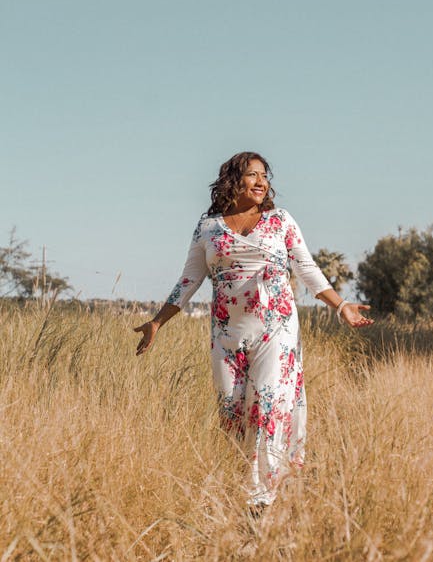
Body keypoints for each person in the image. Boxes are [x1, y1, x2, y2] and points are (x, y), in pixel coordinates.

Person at [134, 152, 373, 508]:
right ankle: (241, 492)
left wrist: (341, 306)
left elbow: (307, 268)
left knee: (266, 409)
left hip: (276, 329)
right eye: (252, 175)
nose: (261, 182)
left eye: (265, 176)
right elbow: (190, 279)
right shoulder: (209, 228)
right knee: (232, 416)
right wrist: (157, 321)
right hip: (227, 335)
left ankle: (262, 502)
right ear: (233, 180)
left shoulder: (281, 221)